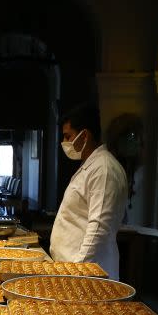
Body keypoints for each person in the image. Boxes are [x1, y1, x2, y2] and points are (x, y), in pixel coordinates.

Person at [50, 104, 129, 280]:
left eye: (68, 136)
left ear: (85, 135)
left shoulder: (104, 169)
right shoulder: (91, 165)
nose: (64, 142)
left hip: (87, 274)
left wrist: (77, 271)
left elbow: (98, 229)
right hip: (72, 269)